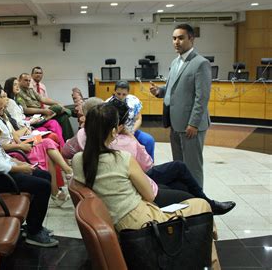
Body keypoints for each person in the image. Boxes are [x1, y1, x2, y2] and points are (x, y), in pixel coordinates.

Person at [72, 103, 220, 269]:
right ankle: (211, 263)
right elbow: (149, 195)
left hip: (117, 221)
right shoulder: (122, 158)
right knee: (203, 205)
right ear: (114, 131)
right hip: (141, 222)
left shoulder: (79, 160)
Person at [64, 98, 236, 215]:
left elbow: (65, 152)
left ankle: (206, 207)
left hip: (120, 196)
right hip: (138, 202)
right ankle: (209, 206)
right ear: (114, 128)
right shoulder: (122, 153)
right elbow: (148, 173)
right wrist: (131, 137)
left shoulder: (80, 148)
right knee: (191, 193)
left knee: (179, 183)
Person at [0, 90, 58, 248]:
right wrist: (19, 168)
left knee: (44, 176)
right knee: (43, 186)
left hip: (1, 172)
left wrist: (15, 162)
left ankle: (33, 225)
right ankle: (34, 232)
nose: (1, 113)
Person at [150, 23, 212, 187]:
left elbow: (202, 97)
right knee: (179, 165)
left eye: (181, 38)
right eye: (174, 38)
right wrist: (160, 92)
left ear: (191, 39)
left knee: (193, 167)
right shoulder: (175, 62)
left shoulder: (200, 63)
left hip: (191, 126)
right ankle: (184, 196)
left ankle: (199, 202)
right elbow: (173, 88)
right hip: (175, 123)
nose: (176, 42)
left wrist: (194, 123)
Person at [0, 89, 73, 206]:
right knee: (48, 142)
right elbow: (0, 145)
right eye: (3, 97)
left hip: (21, 142)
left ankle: (66, 173)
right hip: (14, 150)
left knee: (46, 140)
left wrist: (25, 130)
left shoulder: (3, 116)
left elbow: (14, 134)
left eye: (6, 96)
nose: (7, 99)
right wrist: (21, 144)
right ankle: (63, 179)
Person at [4, 77, 65, 146]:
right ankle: (63, 150)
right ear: (9, 87)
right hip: (23, 133)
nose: (17, 86)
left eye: (18, 84)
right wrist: (31, 121)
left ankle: (62, 150)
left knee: (53, 123)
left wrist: (31, 119)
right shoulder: (10, 102)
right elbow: (18, 123)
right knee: (51, 133)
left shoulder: (17, 99)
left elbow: (21, 117)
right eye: (15, 84)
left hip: (28, 126)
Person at [106, 80, 155, 161]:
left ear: (128, 93)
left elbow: (139, 119)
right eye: (118, 94)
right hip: (114, 133)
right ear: (114, 91)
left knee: (149, 140)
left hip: (132, 130)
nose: (121, 96)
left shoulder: (133, 100)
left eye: (124, 94)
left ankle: (149, 165)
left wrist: (131, 131)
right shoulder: (107, 104)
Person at [17, 73, 74, 140]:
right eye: (26, 80)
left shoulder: (30, 89)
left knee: (63, 117)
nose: (28, 82)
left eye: (29, 81)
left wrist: (58, 103)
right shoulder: (18, 93)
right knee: (57, 108)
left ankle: (69, 141)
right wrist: (44, 111)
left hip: (43, 113)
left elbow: (42, 99)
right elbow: (25, 110)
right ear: (19, 80)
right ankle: (68, 111)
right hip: (35, 117)